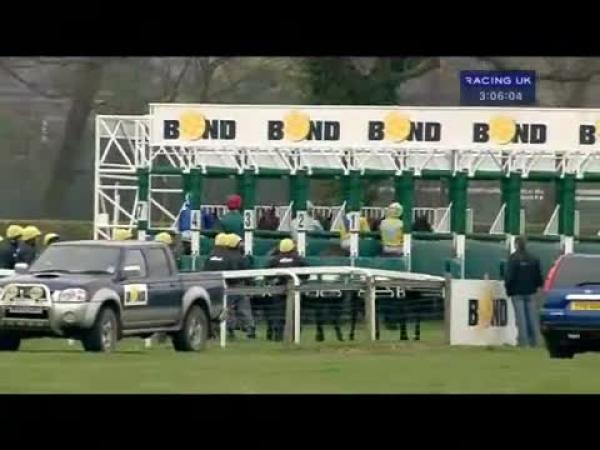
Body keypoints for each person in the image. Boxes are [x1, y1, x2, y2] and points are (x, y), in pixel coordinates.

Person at [504, 236, 544, 348]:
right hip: (531, 292)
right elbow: (538, 276)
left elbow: (509, 277)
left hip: (517, 292)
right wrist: (537, 286)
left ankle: (523, 342)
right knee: (532, 318)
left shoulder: (513, 258)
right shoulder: (534, 258)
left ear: (516, 244)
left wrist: (508, 290)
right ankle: (535, 342)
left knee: (521, 319)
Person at [267, 238, 308, 341]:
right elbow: (307, 274)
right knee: (296, 314)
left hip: (278, 291)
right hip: (295, 291)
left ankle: (278, 337)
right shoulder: (299, 259)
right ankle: (294, 337)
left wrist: (274, 280)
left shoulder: (274, 260)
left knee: (278, 314)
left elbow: (266, 275)